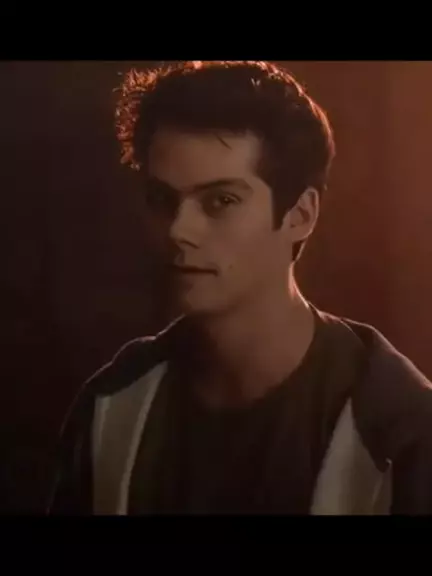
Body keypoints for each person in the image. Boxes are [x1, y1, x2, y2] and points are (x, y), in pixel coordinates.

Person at [48, 60, 432, 515]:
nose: (178, 230)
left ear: (300, 215)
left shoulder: (400, 428)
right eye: (162, 199)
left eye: (221, 200)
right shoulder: (111, 408)